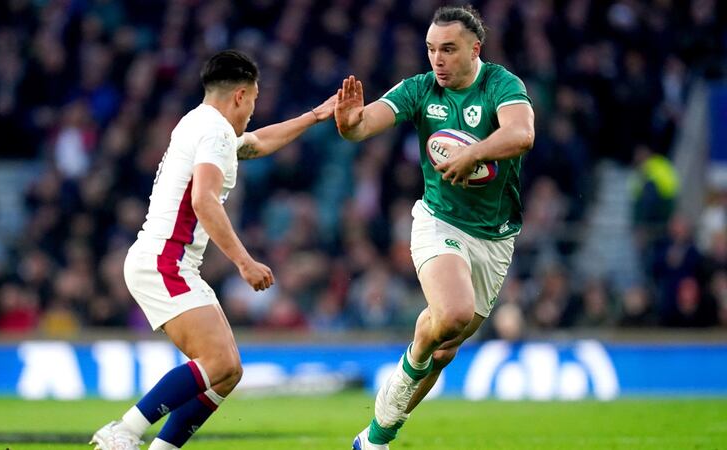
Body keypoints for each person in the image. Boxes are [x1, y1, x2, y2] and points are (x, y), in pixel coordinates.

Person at [90, 50, 335, 450]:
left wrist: (314, 116)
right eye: (254, 101)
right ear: (240, 95)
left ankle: (161, 447)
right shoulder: (216, 131)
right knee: (219, 363)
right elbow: (205, 200)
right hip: (165, 261)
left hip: (165, 260)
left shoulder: (199, 122)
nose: (253, 111)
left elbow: (255, 144)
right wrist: (245, 261)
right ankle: (123, 431)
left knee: (228, 371)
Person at [334, 6, 534, 449]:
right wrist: (351, 126)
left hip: (495, 237)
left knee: (444, 347)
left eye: (448, 49)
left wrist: (474, 153)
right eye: (430, 49)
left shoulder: (501, 85)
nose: (437, 59)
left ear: (474, 49)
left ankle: (375, 438)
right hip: (438, 221)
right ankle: (406, 373)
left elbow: (521, 135)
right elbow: (367, 122)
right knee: (455, 314)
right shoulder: (420, 89)